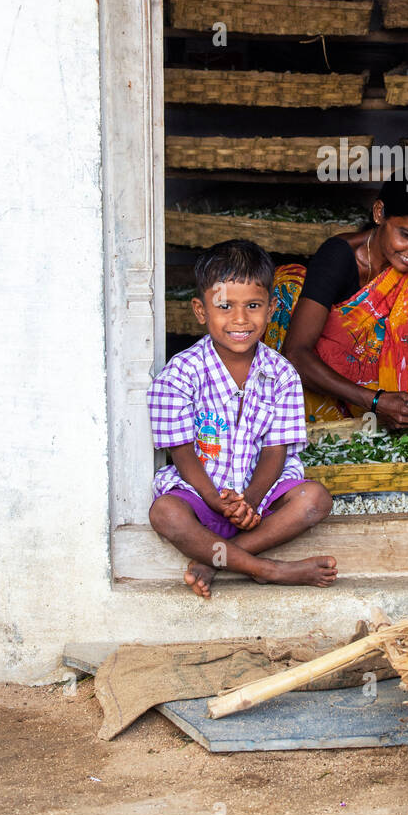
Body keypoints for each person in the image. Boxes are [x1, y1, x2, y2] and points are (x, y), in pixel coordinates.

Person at [148, 239, 336, 598]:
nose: (240, 319)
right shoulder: (179, 374)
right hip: (202, 494)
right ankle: (267, 569)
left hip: (260, 498)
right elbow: (182, 452)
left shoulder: (281, 374)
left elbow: (275, 451)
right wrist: (216, 500)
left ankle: (217, 558)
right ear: (201, 310)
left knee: (315, 500)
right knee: (165, 513)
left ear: (271, 309)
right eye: (224, 306)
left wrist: (250, 500)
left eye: (253, 306)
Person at [264, 172, 408, 428]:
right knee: (287, 286)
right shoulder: (339, 257)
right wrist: (376, 402)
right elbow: (295, 353)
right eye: (407, 235)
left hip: (406, 399)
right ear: (380, 213)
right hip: (348, 394)